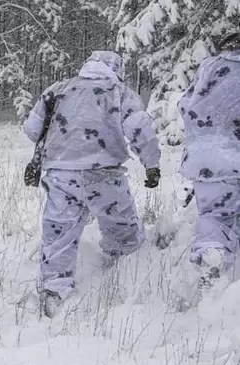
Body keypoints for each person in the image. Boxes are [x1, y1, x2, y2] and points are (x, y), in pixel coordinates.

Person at [23, 51, 161, 314]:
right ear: (116, 70)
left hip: (61, 175)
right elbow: (141, 129)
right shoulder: (120, 92)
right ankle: (119, 274)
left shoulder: (58, 89)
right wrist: (151, 165)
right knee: (122, 230)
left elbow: (32, 128)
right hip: (104, 174)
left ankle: (54, 291)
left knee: (59, 234)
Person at [179, 32, 240, 286]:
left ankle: (211, 261)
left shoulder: (207, 68)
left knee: (215, 215)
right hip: (233, 150)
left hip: (206, 159)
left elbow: (185, 105)